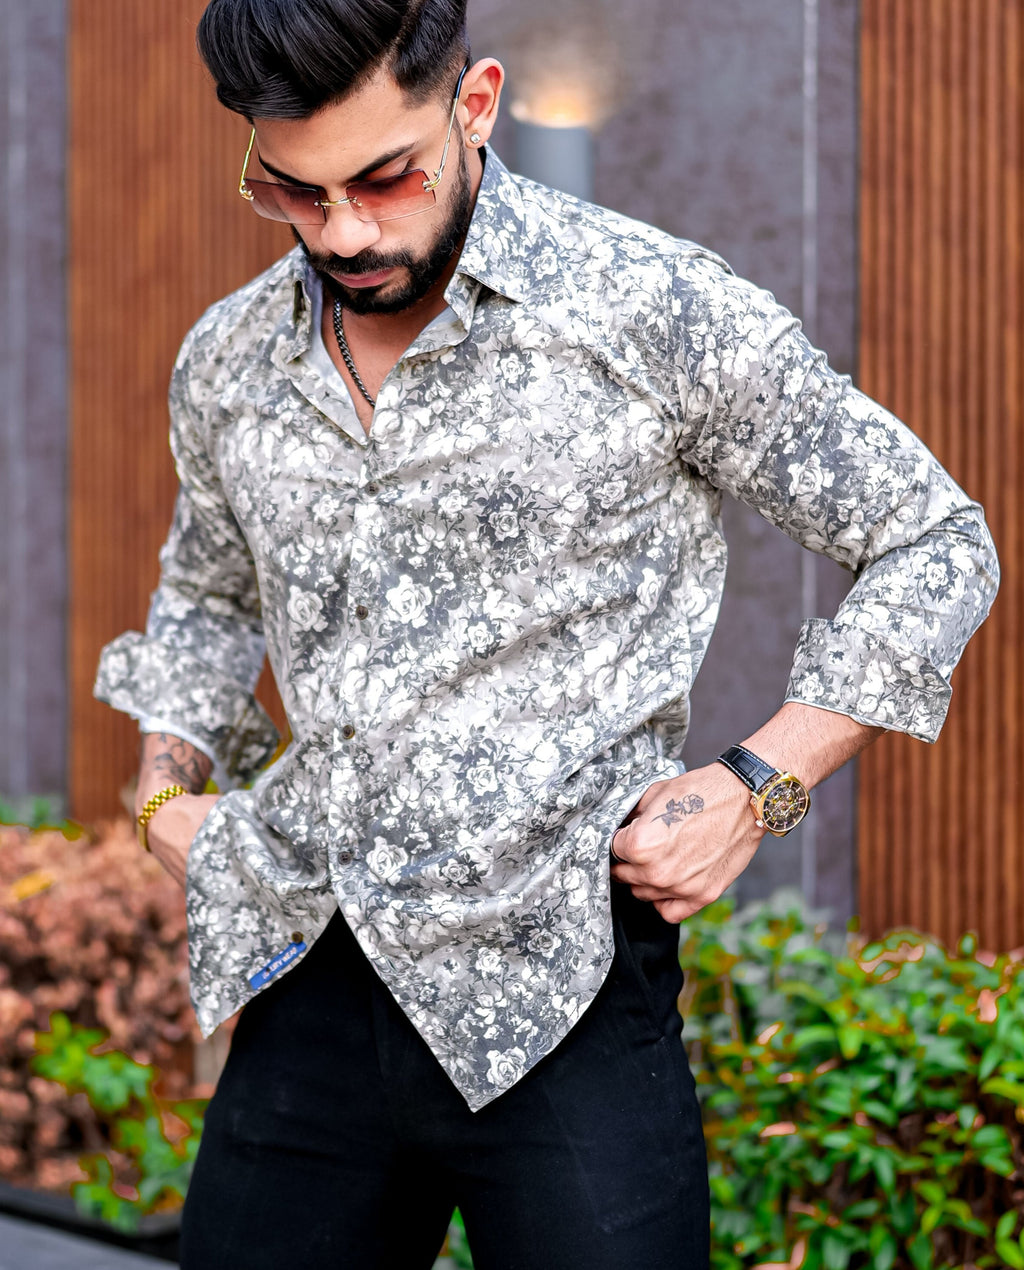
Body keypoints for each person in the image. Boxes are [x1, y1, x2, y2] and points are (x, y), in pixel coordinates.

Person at [93, 1, 998, 1266]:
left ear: (474, 106)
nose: (344, 232)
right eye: (292, 191)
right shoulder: (230, 359)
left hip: (567, 991)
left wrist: (758, 786)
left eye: (384, 178)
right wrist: (163, 786)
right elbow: (203, 592)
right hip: (309, 970)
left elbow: (934, 539)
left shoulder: (651, 310)